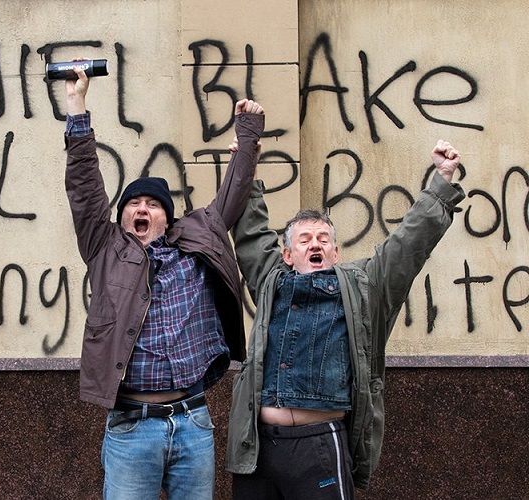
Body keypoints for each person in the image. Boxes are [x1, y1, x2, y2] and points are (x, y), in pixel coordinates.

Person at [62, 59, 264, 499]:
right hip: (132, 429)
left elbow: (234, 193)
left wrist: (248, 135)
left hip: (193, 423)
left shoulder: (195, 241)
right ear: (122, 217)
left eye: (151, 205)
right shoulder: (105, 248)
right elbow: (84, 188)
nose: (140, 210)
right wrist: (77, 107)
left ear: (166, 217)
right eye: (132, 204)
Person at [226, 140, 465, 499]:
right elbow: (250, 233)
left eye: (323, 238)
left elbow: (407, 244)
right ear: (288, 255)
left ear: (335, 252)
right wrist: (246, 164)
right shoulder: (272, 280)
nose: (315, 244)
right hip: (257, 449)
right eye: (304, 239)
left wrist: (442, 180)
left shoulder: (362, 286)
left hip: (319, 446)